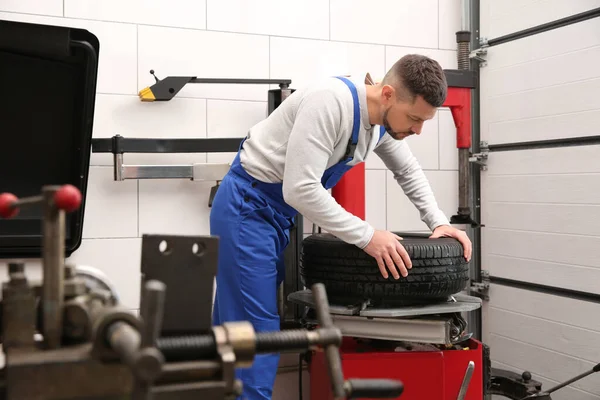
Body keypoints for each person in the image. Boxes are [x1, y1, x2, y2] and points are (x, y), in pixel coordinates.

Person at [210, 54, 473, 399]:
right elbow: (300, 189)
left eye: (423, 121)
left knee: (236, 323)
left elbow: (408, 171)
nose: (417, 130)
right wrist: (368, 237)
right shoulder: (331, 103)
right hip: (248, 208)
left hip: (274, 216)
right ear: (389, 94)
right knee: (257, 332)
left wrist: (439, 222)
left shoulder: (379, 122)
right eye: (414, 118)